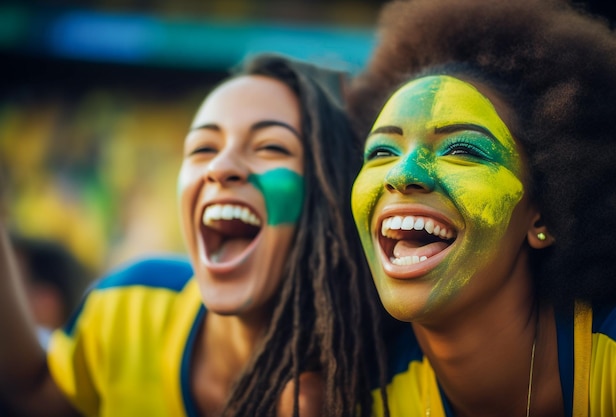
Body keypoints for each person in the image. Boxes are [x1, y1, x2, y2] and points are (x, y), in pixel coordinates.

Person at [0, 53, 385, 417]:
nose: (220, 167)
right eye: (203, 148)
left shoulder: (391, 374)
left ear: (335, 191)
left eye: (270, 147)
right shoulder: (131, 305)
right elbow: (36, 393)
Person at [346, 0, 616, 416]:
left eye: (462, 149)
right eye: (382, 151)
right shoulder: (363, 395)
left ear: (544, 215)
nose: (403, 174)